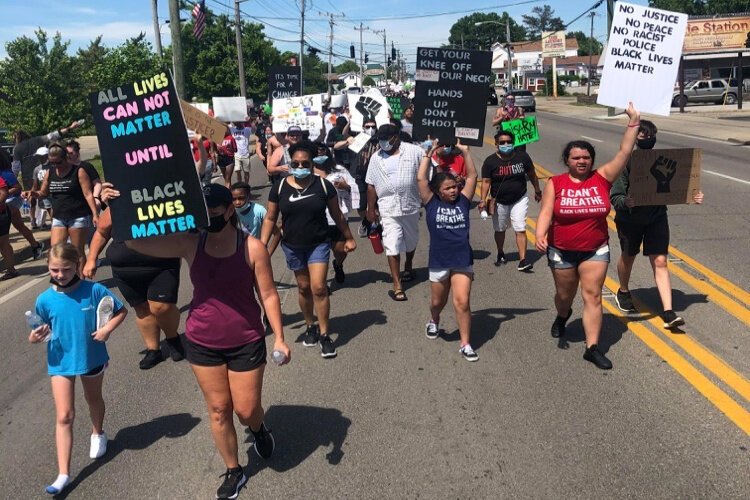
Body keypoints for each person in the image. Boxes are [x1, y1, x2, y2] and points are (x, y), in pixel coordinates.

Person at [102, 182, 289, 499]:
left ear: (229, 210)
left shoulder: (252, 247)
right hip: (203, 341)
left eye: (212, 211)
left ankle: (258, 428)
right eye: (200, 212)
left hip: (246, 339)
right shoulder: (191, 243)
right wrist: (114, 206)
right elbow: (133, 240)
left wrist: (280, 338)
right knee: (218, 409)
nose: (206, 217)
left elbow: (268, 294)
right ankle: (234, 470)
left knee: (245, 410)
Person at [535, 102, 641, 370]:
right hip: (561, 249)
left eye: (586, 157)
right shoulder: (555, 183)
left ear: (591, 160)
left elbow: (624, 152)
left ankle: (591, 347)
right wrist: (540, 234)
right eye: (576, 158)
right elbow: (547, 211)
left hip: (595, 249)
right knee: (564, 295)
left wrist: (634, 122)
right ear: (567, 161)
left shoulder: (602, 178)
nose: (581, 161)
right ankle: (562, 316)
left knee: (592, 295)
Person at [29, 243, 127, 495]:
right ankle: (63, 474)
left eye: (66, 269)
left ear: (77, 266)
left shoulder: (94, 290)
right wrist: (35, 337)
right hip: (60, 362)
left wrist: (106, 329)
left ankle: (98, 433)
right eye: (54, 270)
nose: (60, 275)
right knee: (64, 415)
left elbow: (120, 311)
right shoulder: (44, 299)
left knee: (93, 399)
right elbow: (38, 330)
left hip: (91, 356)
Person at [260, 140, 356, 358]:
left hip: (318, 244)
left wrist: (348, 238)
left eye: (305, 163)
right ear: (290, 162)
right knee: (303, 287)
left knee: (319, 287)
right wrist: (261, 245)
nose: (300, 167)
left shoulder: (323, 186)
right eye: (296, 163)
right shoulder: (280, 187)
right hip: (293, 246)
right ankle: (310, 325)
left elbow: (337, 215)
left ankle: (324, 334)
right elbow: (270, 218)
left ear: (312, 164)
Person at [609, 120, 705, 328]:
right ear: (634, 139)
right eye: (642, 136)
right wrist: (625, 202)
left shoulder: (664, 160)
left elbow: (678, 186)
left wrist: (693, 195)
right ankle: (623, 290)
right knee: (629, 255)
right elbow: (615, 195)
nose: (647, 140)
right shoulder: (626, 162)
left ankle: (668, 312)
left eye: (650, 137)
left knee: (660, 261)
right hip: (630, 219)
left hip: (657, 217)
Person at [83, 208, 186, 369]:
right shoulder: (118, 201)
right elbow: (102, 232)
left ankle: (172, 338)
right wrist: (91, 259)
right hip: (125, 268)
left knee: (161, 307)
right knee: (142, 308)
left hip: (162, 264)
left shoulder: (165, 196)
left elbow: (184, 223)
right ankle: (153, 350)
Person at [417, 139, 479, 361]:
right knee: (437, 302)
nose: (453, 191)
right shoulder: (431, 202)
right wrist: (428, 154)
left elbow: (472, 177)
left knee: (462, 302)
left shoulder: (463, 201)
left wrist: (465, 152)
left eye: (455, 187)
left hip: (462, 258)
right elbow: (421, 179)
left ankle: (465, 344)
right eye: (448, 188)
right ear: (438, 191)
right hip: (439, 260)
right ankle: (434, 319)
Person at [366, 124, 424, 301]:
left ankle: (409, 264)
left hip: (410, 205)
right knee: (392, 243)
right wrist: (370, 209)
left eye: (386, 139)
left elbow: (429, 171)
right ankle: (397, 284)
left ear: (396, 137)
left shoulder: (415, 151)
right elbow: (371, 184)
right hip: (388, 208)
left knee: (411, 240)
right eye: (380, 140)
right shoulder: (376, 158)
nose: (383, 143)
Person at [24, 143, 98, 266]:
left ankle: (80, 280)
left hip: (78, 216)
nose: (55, 166)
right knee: (55, 251)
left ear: (66, 158)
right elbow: (43, 193)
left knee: (77, 252)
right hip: (59, 217)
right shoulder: (50, 172)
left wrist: (95, 214)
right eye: (52, 163)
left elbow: (88, 194)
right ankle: (62, 280)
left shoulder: (79, 171)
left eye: (58, 162)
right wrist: (33, 193)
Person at [478, 130, 542, 271]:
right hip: (499, 200)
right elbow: (486, 182)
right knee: (500, 229)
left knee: (520, 227)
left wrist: (537, 190)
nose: (506, 144)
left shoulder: (522, 157)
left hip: (519, 198)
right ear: (496, 144)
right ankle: (500, 252)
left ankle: (523, 260)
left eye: (509, 142)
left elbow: (532, 174)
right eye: (502, 142)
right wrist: (482, 200)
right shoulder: (490, 162)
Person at [12, 120, 84, 227]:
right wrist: (70, 128)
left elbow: (16, 167)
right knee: (48, 196)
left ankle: (33, 220)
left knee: (31, 197)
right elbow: (52, 135)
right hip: (44, 172)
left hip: (28, 177)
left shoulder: (17, 149)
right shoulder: (37, 140)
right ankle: (53, 219)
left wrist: (13, 180)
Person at [312, 142, 359, 283]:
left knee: (340, 250)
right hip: (316, 220)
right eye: (317, 151)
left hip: (337, 218)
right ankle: (322, 282)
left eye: (323, 151)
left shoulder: (339, 170)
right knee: (320, 253)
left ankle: (338, 264)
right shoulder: (307, 173)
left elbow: (353, 187)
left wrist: (345, 186)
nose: (320, 153)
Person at [0, 148, 44, 271]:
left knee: (4, 236)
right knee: (19, 225)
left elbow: (17, 188)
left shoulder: (5, 173)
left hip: (12, 201)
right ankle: (35, 245)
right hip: (7, 202)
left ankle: (10, 262)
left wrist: (3, 193)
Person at [230, 181, 280, 254]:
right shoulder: (230, 213)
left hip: (256, 253)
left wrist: (268, 255)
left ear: (249, 196)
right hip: (237, 254)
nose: (237, 202)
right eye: (234, 199)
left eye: (241, 198)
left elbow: (277, 233)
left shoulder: (259, 211)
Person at [352, 118, 379, 237]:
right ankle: (367, 220)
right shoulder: (358, 139)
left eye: (373, 127)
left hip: (376, 175)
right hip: (361, 174)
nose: (371, 129)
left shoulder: (380, 140)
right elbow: (343, 138)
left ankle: (373, 224)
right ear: (363, 127)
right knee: (361, 205)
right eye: (367, 127)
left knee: (376, 203)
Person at [0, 175, 17, 280]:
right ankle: (11, 270)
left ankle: (11, 270)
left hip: (1, 214)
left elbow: (4, 192)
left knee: (3, 243)